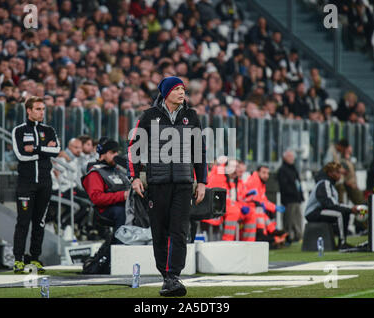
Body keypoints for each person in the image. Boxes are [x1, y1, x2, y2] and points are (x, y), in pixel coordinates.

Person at [128, 76, 207, 297]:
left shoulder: (191, 116)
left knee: (181, 231)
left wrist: (202, 182)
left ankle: (174, 275)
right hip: (157, 184)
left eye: (183, 89)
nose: (182, 93)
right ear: (166, 93)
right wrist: (134, 177)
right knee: (159, 232)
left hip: (183, 184)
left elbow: (199, 151)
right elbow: (133, 148)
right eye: (177, 89)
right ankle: (166, 276)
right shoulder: (149, 117)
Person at [11, 96, 61, 274]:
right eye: (38, 109)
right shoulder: (18, 130)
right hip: (26, 184)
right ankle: (18, 259)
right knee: (23, 221)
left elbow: (56, 151)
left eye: (43, 109)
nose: (42, 112)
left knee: (39, 222)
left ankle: (35, 258)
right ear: (29, 111)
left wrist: (37, 149)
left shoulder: (49, 130)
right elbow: (21, 156)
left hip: (45, 184)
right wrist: (45, 150)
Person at [81, 138, 130, 243]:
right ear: (103, 154)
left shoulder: (118, 170)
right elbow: (96, 198)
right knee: (122, 213)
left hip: (125, 205)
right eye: (112, 152)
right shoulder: (95, 172)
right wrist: (123, 195)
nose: (116, 155)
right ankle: (119, 247)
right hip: (104, 210)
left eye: (117, 152)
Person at [304, 162, 359, 250]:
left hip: (320, 210)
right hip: (313, 212)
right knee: (339, 214)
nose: (339, 175)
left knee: (344, 213)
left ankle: (342, 240)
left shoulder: (329, 184)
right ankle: (342, 243)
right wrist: (350, 209)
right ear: (330, 173)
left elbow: (332, 204)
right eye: (337, 172)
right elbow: (330, 204)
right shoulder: (324, 183)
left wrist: (349, 209)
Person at [205, 159, 257, 241]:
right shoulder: (219, 176)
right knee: (234, 211)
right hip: (214, 206)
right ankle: (227, 241)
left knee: (252, 212)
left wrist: (246, 200)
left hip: (226, 206)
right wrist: (240, 206)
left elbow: (236, 198)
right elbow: (221, 198)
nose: (236, 172)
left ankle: (248, 243)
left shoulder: (232, 178)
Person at [244, 165, 287, 243]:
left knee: (266, 211)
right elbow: (258, 201)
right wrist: (273, 207)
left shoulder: (260, 183)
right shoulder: (254, 182)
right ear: (257, 172)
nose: (266, 175)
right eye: (264, 173)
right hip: (249, 208)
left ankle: (272, 232)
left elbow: (263, 200)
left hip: (253, 208)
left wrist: (274, 207)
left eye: (267, 173)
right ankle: (264, 234)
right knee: (260, 210)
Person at [277, 150, 304, 243]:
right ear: (284, 158)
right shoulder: (283, 170)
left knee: (297, 218)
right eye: (289, 156)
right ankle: (288, 237)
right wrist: (292, 193)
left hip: (296, 198)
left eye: (292, 156)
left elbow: (298, 183)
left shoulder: (293, 169)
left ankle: (298, 236)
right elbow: (284, 186)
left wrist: (300, 196)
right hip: (289, 199)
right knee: (289, 219)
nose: (292, 158)